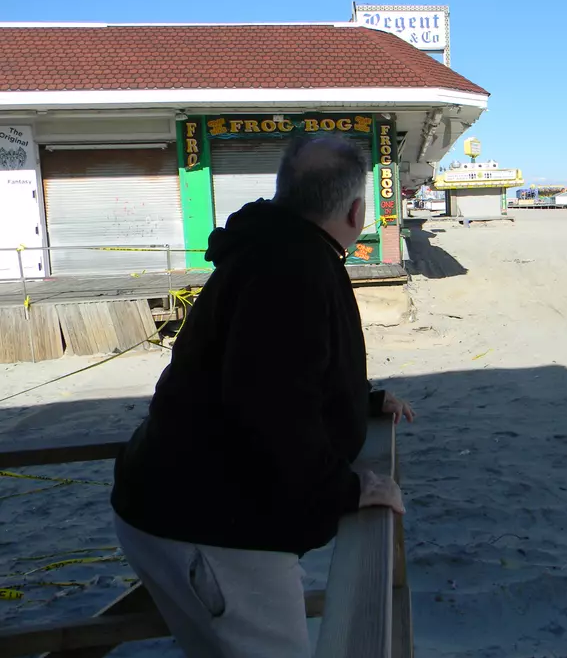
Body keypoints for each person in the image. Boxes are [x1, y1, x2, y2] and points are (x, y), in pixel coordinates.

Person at [111, 133, 414, 658]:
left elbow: (276, 366)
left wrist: (357, 400)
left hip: (170, 506)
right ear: (357, 210)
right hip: (212, 527)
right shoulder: (292, 267)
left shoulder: (271, 249)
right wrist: (346, 490)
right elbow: (267, 405)